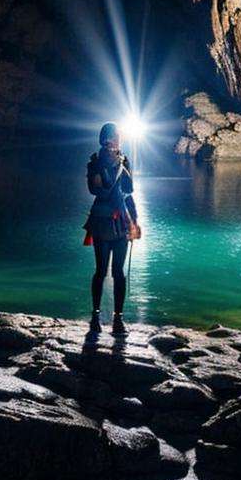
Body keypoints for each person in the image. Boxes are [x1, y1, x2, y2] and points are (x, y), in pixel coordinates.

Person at [85, 121, 140, 335]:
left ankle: (118, 319)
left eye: (120, 136)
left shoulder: (125, 160)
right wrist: (111, 167)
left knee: (119, 272)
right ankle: (95, 316)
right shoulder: (95, 163)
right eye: (116, 136)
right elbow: (98, 191)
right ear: (107, 138)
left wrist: (134, 221)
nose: (120, 139)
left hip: (121, 222)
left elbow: (129, 191)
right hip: (102, 222)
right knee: (101, 271)